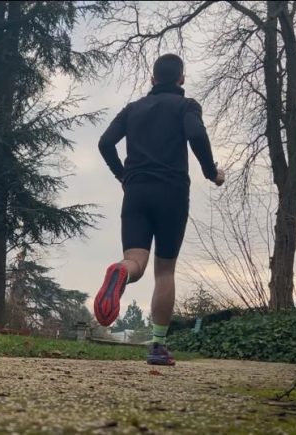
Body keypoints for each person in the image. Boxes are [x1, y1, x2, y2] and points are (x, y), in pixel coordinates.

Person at [95, 54, 225, 366]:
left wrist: (123, 176)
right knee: (164, 270)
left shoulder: (132, 109)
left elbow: (104, 143)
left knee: (135, 261)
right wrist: (211, 172)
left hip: (136, 191)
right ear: (181, 79)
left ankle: (121, 271)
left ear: (152, 80)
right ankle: (156, 347)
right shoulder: (186, 106)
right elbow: (195, 135)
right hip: (172, 192)